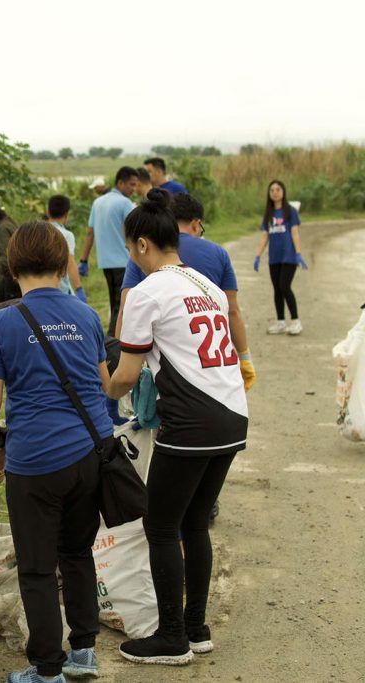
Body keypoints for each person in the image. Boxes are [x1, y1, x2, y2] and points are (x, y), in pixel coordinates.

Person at [108, 189, 248, 666]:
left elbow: (126, 374)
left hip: (192, 421)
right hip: (232, 413)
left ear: (143, 244)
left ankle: (171, 637)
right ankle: (196, 626)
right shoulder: (203, 283)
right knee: (194, 521)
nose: (132, 257)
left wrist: (101, 388)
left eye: (130, 249)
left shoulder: (148, 291)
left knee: (161, 524)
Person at [0, 221, 113, 683]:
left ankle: (47, 669)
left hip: (34, 463)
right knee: (77, 554)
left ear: (13, 268)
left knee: (36, 567)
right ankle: (84, 653)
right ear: (60, 263)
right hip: (91, 455)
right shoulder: (87, 316)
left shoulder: (1, 323)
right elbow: (105, 384)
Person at [117, 192, 256, 391]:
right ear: (195, 223)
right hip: (216, 373)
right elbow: (232, 310)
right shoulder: (218, 255)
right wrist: (244, 357)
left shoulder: (143, 256)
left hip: (173, 380)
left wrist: (123, 361)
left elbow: (124, 309)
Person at [80, 166, 138, 334]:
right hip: (124, 262)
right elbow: (135, 231)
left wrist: (83, 260)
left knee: (115, 303)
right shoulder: (125, 203)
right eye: (131, 185)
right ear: (121, 183)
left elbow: (90, 233)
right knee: (122, 306)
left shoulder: (98, 202)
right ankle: (114, 340)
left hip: (105, 263)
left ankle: (113, 337)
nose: (133, 189)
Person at [253, 179, 307, 335]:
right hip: (274, 257)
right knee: (277, 289)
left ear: (283, 192)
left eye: (278, 189)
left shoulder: (290, 211)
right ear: (269, 194)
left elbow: (295, 233)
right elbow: (264, 237)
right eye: (272, 190)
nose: (275, 192)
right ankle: (281, 322)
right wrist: (258, 256)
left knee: (285, 286)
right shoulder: (268, 214)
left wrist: (298, 254)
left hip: (289, 257)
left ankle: (296, 321)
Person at [46, 195, 85, 303]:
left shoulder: (38, 232)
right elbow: (70, 261)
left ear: (48, 212)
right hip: (60, 287)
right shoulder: (66, 235)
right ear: (67, 214)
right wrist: (79, 287)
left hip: (38, 285)